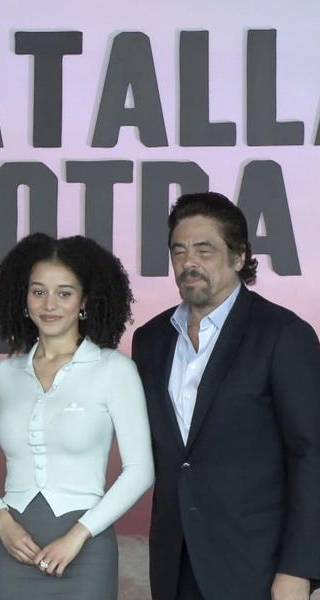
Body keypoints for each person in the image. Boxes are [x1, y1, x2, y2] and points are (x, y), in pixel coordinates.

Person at [131, 192, 320, 600]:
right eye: (178, 251)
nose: (188, 263)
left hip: (257, 568)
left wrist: (299, 568)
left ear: (238, 257)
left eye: (204, 249)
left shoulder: (283, 335)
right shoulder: (149, 340)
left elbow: (311, 454)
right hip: (175, 563)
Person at [0, 233, 154, 600]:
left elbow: (141, 470)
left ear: (84, 301)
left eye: (64, 293)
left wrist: (78, 535)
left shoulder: (115, 370)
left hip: (85, 552)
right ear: (23, 298)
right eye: (38, 292)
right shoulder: (5, 375)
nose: (49, 304)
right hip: (11, 551)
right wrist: (2, 522)